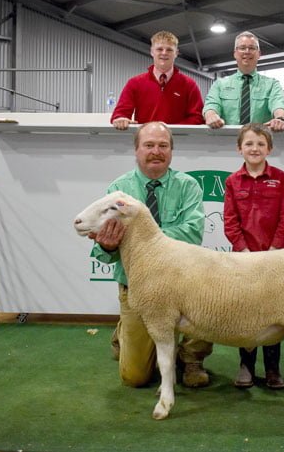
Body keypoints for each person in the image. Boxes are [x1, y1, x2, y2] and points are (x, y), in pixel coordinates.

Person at [89, 121, 213, 388]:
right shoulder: (118, 190)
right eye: (148, 145)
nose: (156, 151)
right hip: (138, 288)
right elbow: (102, 250)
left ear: (171, 151)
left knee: (213, 302)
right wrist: (110, 245)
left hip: (186, 282)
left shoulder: (188, 186)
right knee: (135, 378)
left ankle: (191, 357)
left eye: (163, 145)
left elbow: (192, 233)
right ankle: (125, 332)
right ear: (136, 150)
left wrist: (140, 236)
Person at [223, 123, 284, 390]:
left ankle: (273, 368)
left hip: (274, 258)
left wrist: (274, 250)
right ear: (239, 148)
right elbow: (230, 222)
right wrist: (244, 251)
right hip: (243, 259)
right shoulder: (232, 182)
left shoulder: (281, 178)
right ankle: (246, 365)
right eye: (249, 144)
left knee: (273, 311)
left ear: (270, 149)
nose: (255, 148)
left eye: (261, 144)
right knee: (246, 311)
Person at [110, 31, 204, 130]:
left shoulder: (189, 85)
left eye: (169, 50)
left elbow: (197, 117)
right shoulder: (135, 83)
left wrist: (169, 129)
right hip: (145, 142)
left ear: (176, 53)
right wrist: (120, 119)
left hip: (177, 141)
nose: (164, 53)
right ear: (152, 52)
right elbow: (120, 113)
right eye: (159, 49)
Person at [203, 31, 284, 132]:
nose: (247, 51)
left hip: (260, 142)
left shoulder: (272, 85)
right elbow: (211, 105)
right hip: (226, 140)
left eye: (252, 48)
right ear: (235, 53)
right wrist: (211, 115)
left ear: (259, 54)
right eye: (242, 48)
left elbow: (278, 104)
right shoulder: (219, 85)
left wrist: (279, 118)